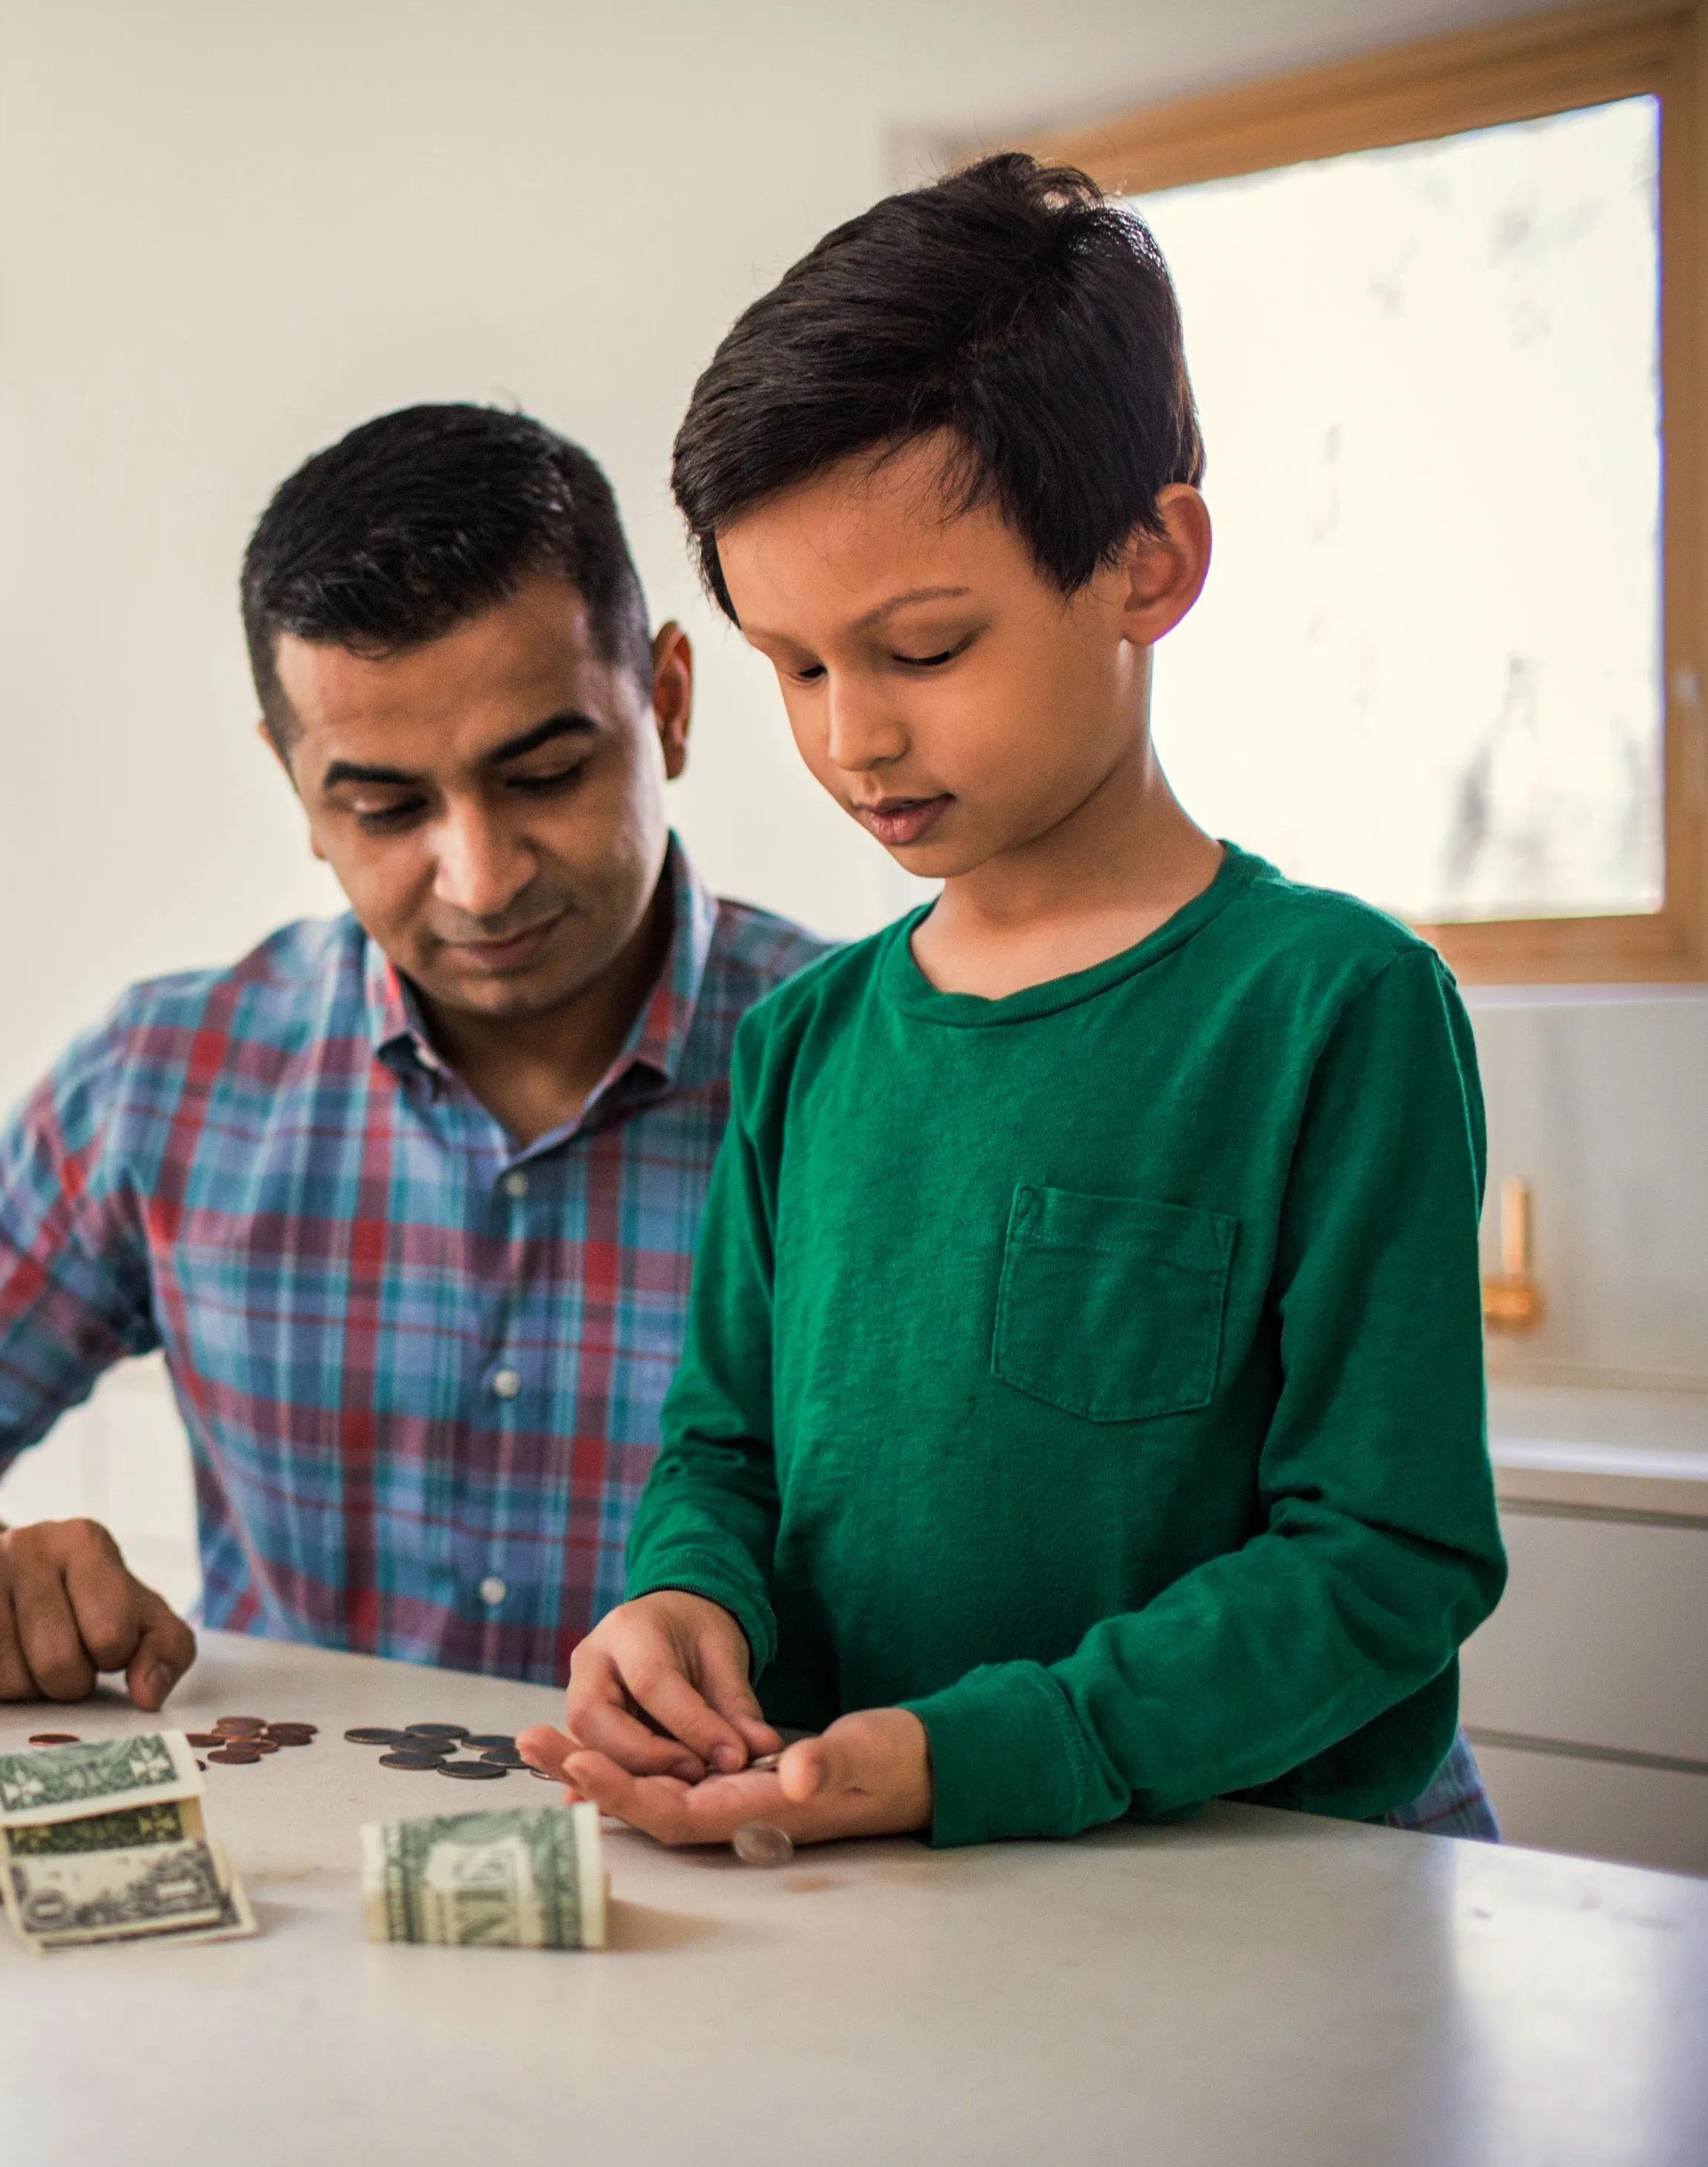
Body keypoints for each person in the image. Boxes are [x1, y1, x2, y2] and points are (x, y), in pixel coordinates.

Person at [521, 155, 1506, 1847]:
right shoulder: (807, 1044)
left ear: (1148, 566)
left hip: (1271, 1879)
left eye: (922, 650)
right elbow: (726, 1454)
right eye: (798, 664)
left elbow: (1385, 1560)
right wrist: (686, 1603)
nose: (852, 738)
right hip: (879, 1866)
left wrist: (992, 1749)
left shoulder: (1335, 1009)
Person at [0, 404, 825, 1711]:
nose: (480, 874)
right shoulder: (161, 1083)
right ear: (296, 787)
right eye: (386, 807)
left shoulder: (860, 1075)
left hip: (758, 1881)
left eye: (546, 773)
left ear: (669, 705)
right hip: (290, 1887)